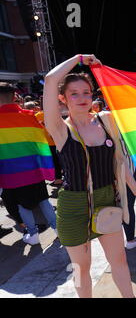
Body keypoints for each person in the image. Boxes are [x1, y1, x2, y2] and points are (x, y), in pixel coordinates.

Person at [43, 54, 136, 298]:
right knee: (82, 269)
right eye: (74, 93)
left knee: (120, 261)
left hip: (106, 201)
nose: (82, 98)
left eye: (87, 92)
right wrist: (79, 58)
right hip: (73, 206)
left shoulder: (106, 121)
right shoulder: (60, 129)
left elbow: (119, 163)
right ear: (62, 99)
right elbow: (50, 80)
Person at [0, 82, 57, 246]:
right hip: (33, 169)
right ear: (14, 97)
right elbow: (41, 144)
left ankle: (33, 234)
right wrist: (46, 168)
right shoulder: (29, 116)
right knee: (43, 199)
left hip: (8, 173)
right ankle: (57, 228)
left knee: (21, 205)